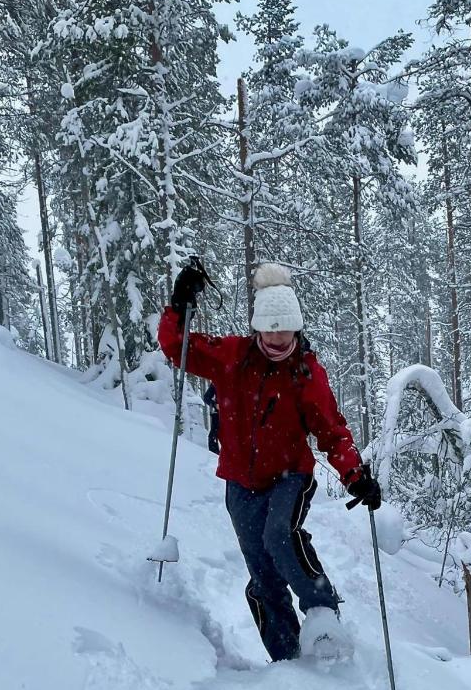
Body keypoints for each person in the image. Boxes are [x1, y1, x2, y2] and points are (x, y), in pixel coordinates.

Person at [158, 261, 382, 662]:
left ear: (297, 327)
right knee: (262, 575)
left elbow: (331, 431)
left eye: (286, 329)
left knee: (280, 534)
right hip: (240, 482)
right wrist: (179, 304)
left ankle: (322, 612)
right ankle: (290, 659)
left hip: (289, 476)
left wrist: (355, 475)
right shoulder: (231, 357)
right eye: (270, 328)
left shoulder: (305, 372)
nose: (278, 337)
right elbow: (178, 348)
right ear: (257, 327)